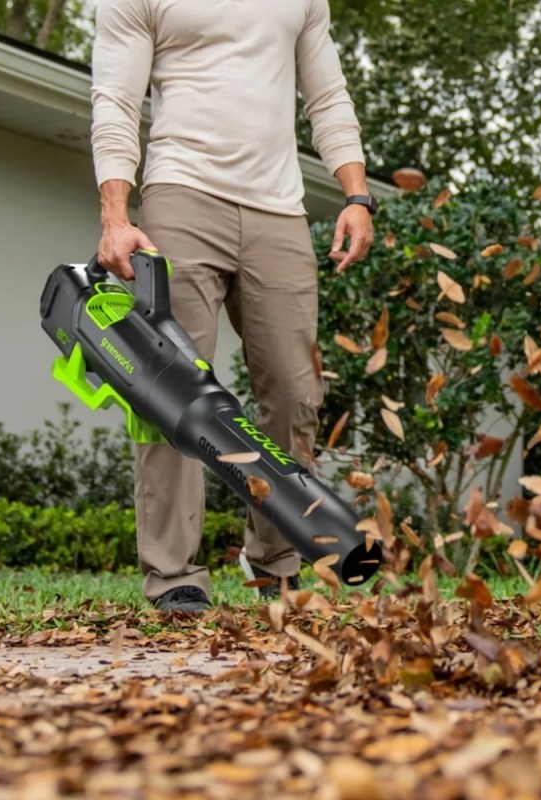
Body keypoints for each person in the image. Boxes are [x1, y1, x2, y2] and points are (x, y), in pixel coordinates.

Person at [90, 0, 376, 613]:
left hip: (281, 207)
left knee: (297, 392)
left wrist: (357, 195)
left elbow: (327, 95)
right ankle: (174, 576)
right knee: (171, 392)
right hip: (181, 193)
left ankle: (276, 560)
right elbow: (115, 97)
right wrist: (115, 215)